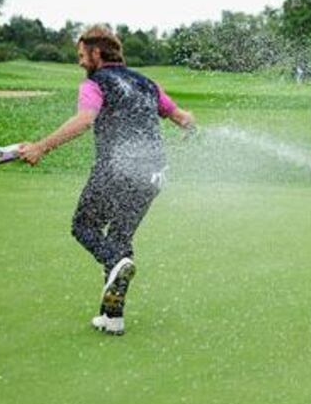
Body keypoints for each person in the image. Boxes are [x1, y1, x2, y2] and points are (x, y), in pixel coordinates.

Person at [19, 25, 194, 335]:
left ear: (96, 53)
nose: (80, 62)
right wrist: (190, 129)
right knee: (118, 238)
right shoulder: (147, 83)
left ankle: (116, 262)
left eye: (81, 55)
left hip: (118, 169)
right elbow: (183, 118)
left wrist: (40, 147)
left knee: (84, 226)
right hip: (154, 174)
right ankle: (112, 317)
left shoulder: (95, 83)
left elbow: (84, 120)